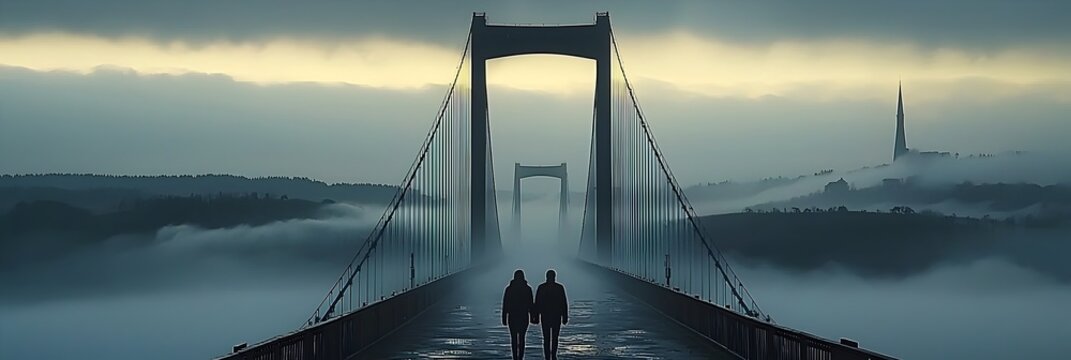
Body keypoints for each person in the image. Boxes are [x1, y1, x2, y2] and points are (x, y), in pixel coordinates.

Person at [533, 269, 568, 360]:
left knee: (546, 337)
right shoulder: (559, 288)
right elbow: (563, 303)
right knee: (555, 337)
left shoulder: (541, 287)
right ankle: (553, 355)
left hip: (545, 315)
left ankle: (547, 356)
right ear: (554, 277)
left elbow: (537, 303)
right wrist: (565, 316)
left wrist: (536, 316)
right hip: (556, 316)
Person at [502, 269, 533, 360]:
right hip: (523, 316)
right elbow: (530, 304)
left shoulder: (509, 289)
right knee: (522, 337)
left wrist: (504, 317)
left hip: (512, 316)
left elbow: (505, 304)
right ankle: (521, 357)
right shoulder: (527, 289)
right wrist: (533, 316)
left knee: (514, 338)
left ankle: (515, 356)